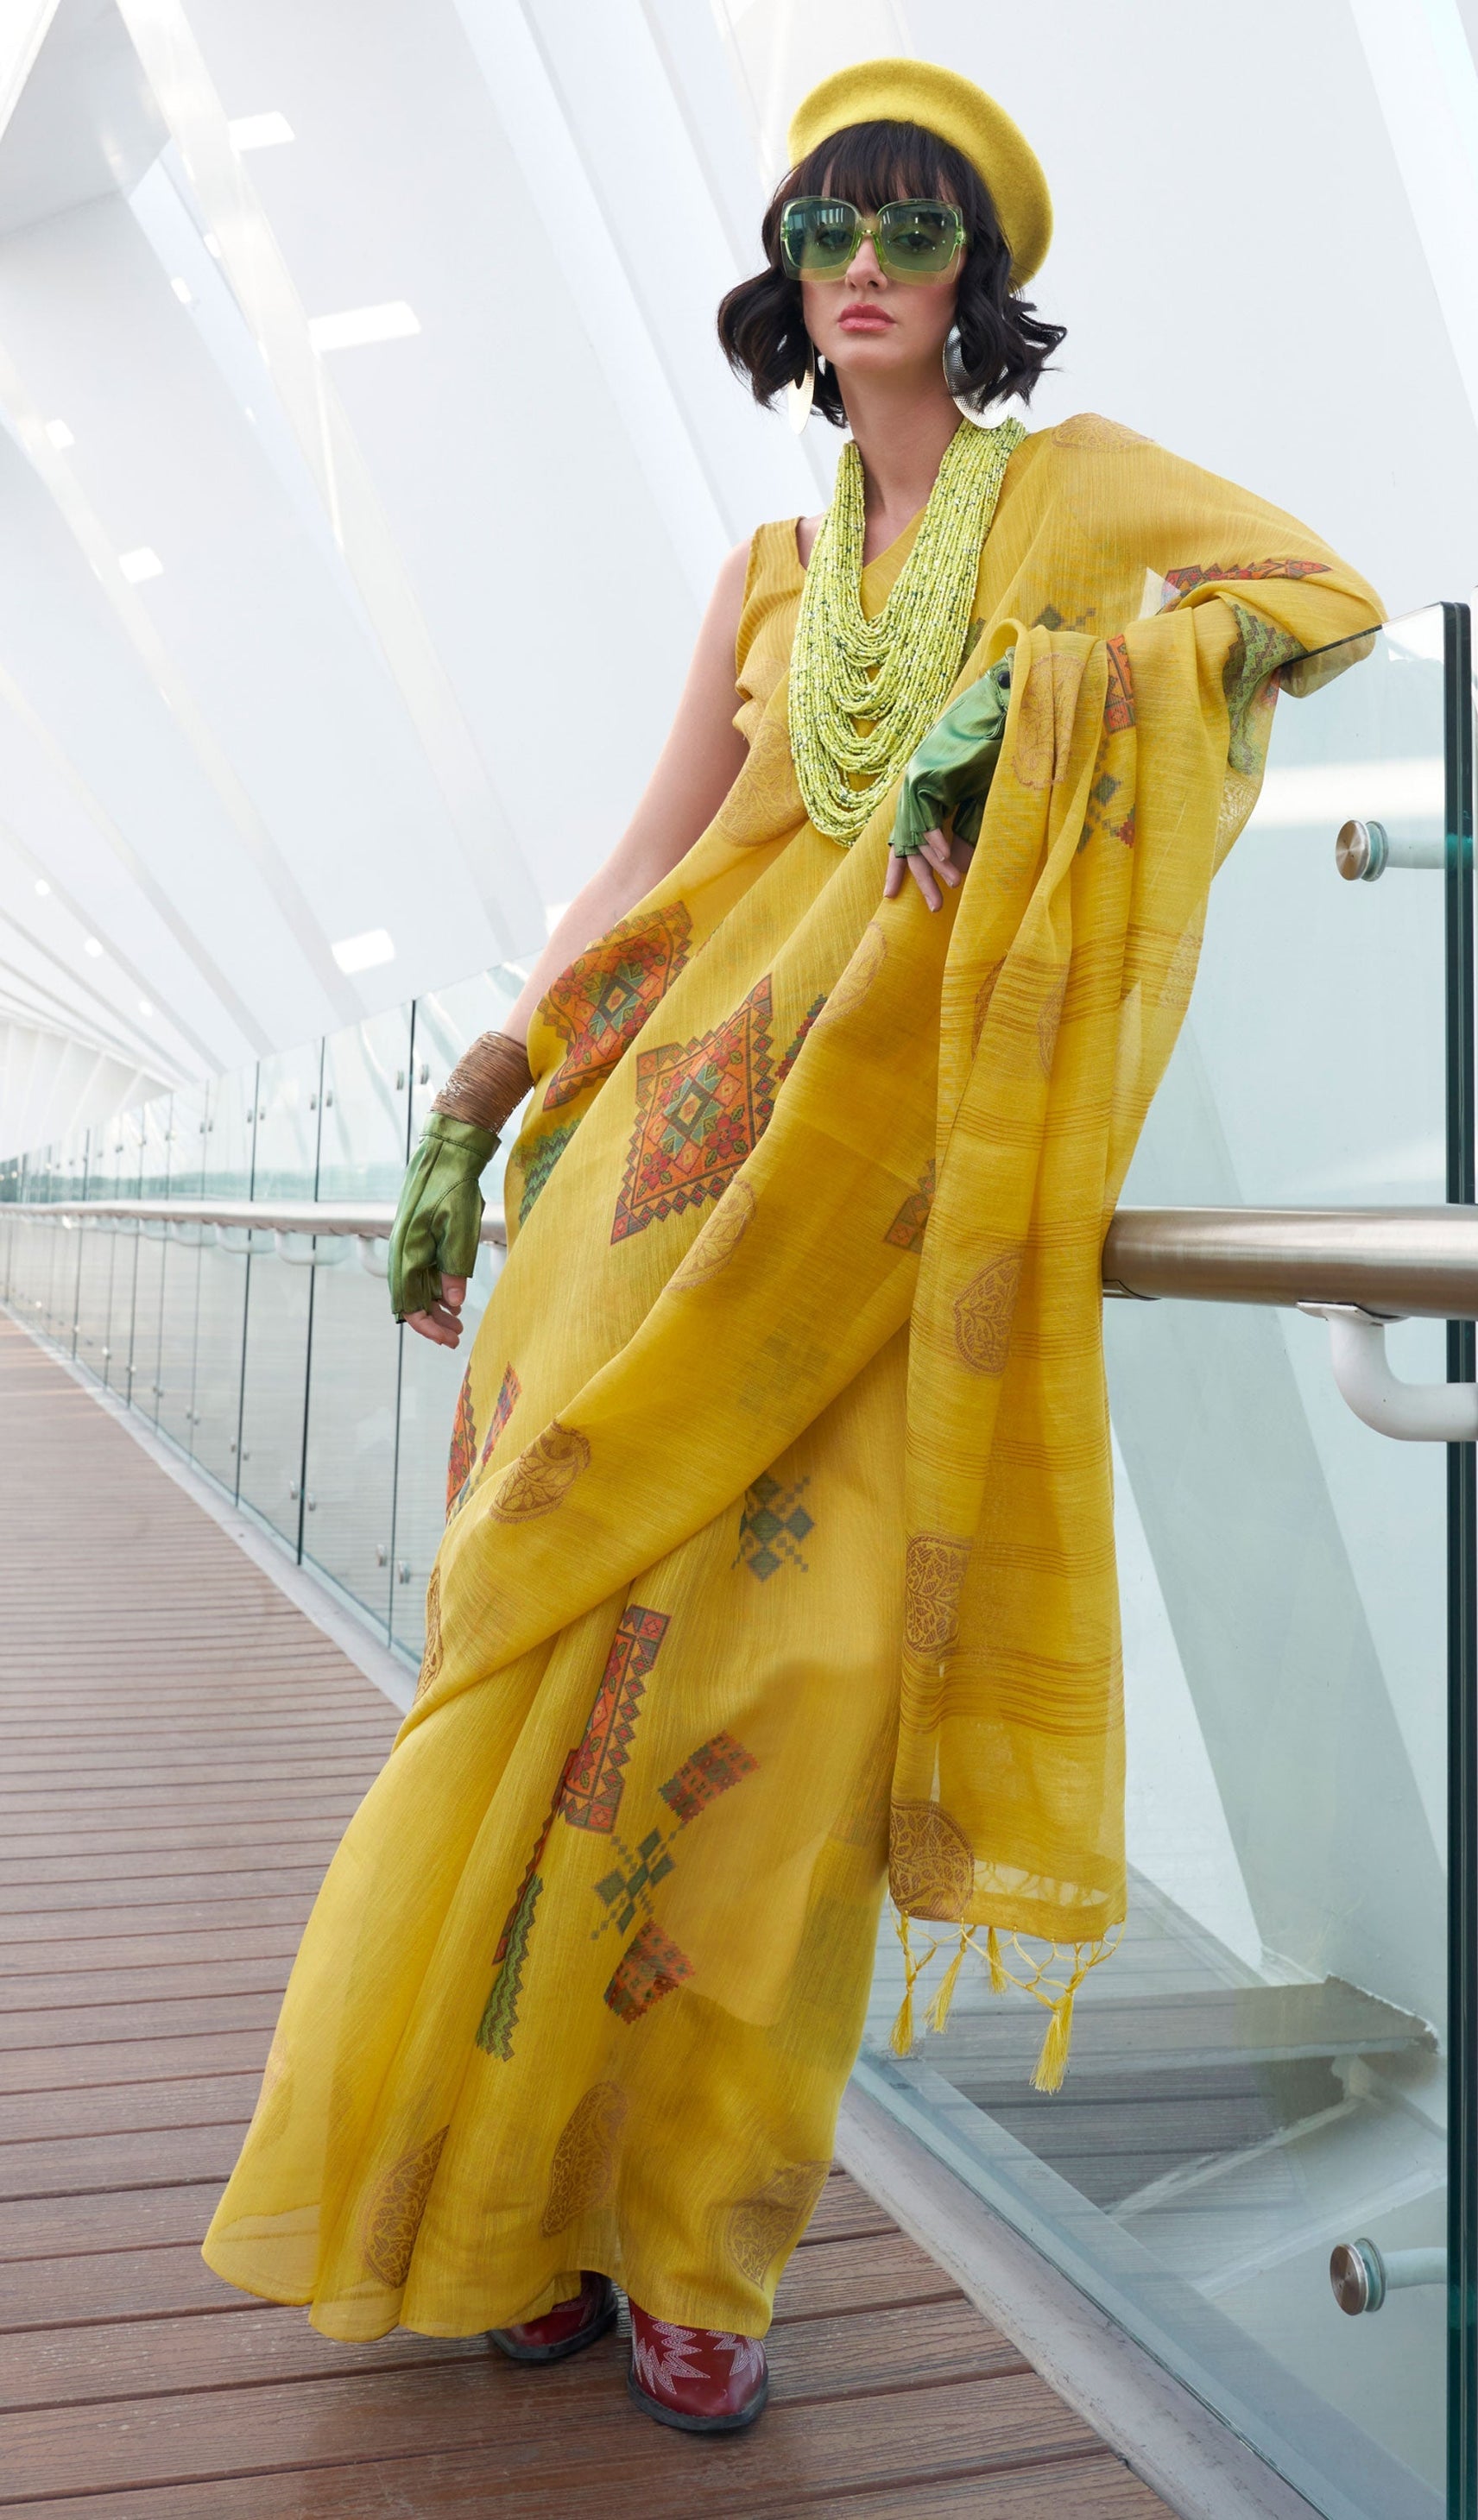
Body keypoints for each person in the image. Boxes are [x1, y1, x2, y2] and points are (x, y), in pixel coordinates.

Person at [202, 58, 1381, 2435]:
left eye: (910, 227)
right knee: (558, 1707)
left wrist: (1028, 705)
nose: (863, 263)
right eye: (826, 224)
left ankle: (701, 2242)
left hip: (884, 1231)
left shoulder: (1073, 497)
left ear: (973, 275)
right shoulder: (762, 576)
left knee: (803, 1729)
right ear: (786, 269)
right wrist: (478, 1094)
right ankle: (521, 2213)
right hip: (648, 1194)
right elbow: (651, 857)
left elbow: (1314, 599)